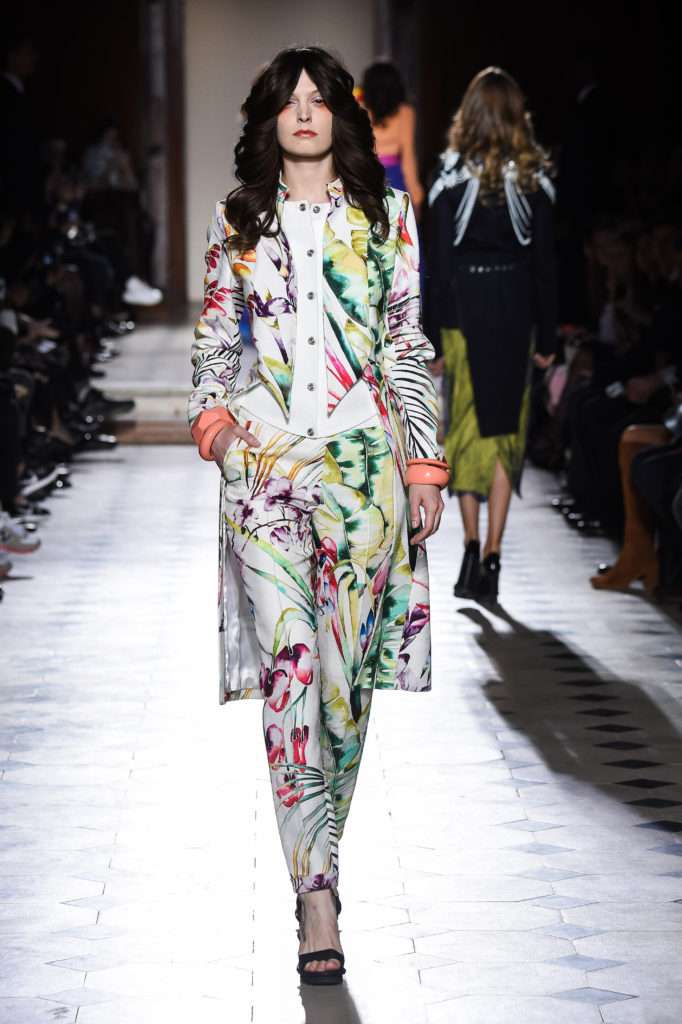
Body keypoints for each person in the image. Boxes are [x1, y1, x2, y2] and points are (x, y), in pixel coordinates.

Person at [188, 46, 447, 987]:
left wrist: (424, 462)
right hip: (262, 474)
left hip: (362, 472)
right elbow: (216, 337)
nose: (305, 112)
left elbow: (407, 340)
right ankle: (318, 897)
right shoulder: (236, 222)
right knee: (293, 670)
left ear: (343, 115)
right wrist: (217, 429)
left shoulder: (386, 220)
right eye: (289, 101)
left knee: (343, 691)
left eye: (320, 99)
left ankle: (320, 859)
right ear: (269, 119)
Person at [426, 66, 557, 603]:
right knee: (506, 431)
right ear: (516, 116)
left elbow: (437, 264)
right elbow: (546, 265)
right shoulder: (535, 181)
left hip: (462, 314)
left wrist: (429, 338)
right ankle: (493, 554)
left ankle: (471, 546)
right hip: (515, 313)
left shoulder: (449, 180)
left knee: (465, 429)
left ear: (471, 115)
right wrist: (548, 337)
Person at [357, 59, 424, 219]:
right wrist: (416, 195)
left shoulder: (358, 110)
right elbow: (408, 156)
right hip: (395, 180)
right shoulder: (406, 112)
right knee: (401, 239)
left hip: (365, 177)